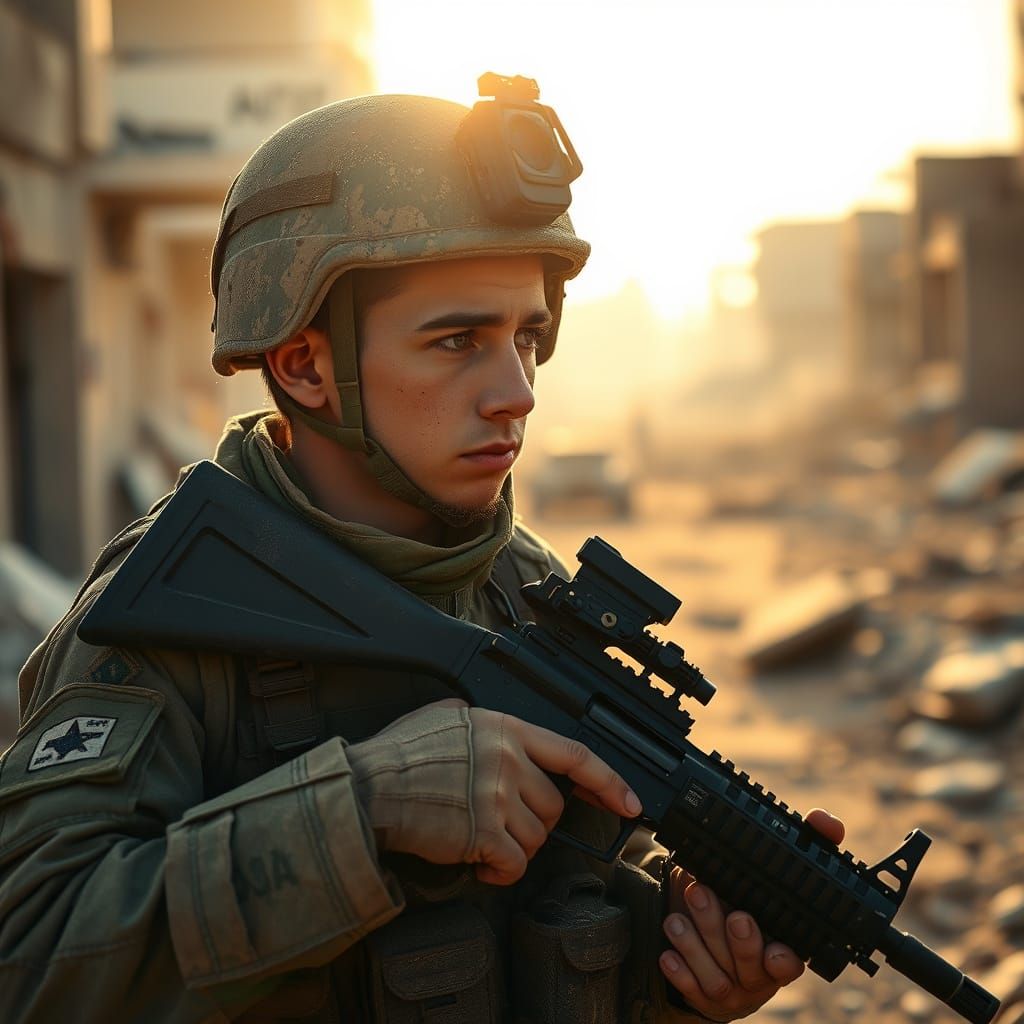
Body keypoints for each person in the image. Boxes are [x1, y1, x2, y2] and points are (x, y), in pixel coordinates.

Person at [0, 77, 843, 1023]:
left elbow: (574, 902)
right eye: (457, 341)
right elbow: (31, 959)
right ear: (306, 365)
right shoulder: (169, 610)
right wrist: (365, 807)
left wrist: (679, 965)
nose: (517, 391)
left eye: (528, 337)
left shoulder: (524, 588)